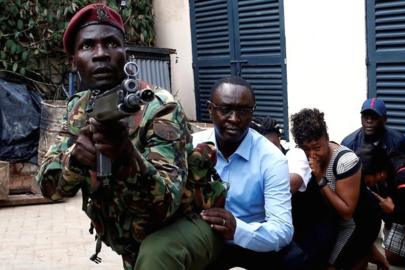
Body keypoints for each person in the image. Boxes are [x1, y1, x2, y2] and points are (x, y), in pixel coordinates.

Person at [35, 4, 221, 270]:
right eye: (87, 46)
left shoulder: (159, 107)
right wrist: (74, 159)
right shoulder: (78, 108)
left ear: (125, 53)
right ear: (73, 61)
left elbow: (167, 204)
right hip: (132, 238)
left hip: (180, 230)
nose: (101, 54)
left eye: (111, 43)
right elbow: (47, 188)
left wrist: (126, 157)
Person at [193, 76, 298, 270]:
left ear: (252, 112)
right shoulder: (191, 146)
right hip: (199, 242)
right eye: (225, 109)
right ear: (210, 109)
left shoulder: (272, 159)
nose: (234, 119)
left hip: (248, 248)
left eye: (243, 111)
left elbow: (283, 230)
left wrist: (238, 230)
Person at [290, 108, 382, 270]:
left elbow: (347, 212)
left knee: (333, 265)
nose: (312, 154)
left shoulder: (345, 161)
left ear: (327, 138)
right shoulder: (301, 157)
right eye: (306, 149)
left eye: (317, 147)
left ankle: (365, 252)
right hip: (333, 220)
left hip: (358, 221)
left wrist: (320, 179)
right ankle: (366, 253)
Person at [341, 97, 405, 153]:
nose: (369, 121)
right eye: (365, 117)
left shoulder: (399, 142)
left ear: (385, 120)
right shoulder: (349, 144)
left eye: (374, 117)